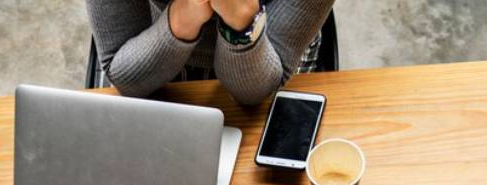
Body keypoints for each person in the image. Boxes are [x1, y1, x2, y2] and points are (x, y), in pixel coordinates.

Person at [86, 0, 335, 105]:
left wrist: (241, 18)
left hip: (268, 49)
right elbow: (124, 74)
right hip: (147, 40)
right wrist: (183, 17)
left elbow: (256, 92)